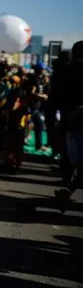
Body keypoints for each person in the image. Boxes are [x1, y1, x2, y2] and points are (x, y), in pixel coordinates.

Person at [53, 41, 83, 212]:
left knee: (74, 160)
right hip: (76, 121)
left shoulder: (63, 73)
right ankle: (69, 189)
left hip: (69, 123)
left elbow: (54, 100)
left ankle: (69, 187)